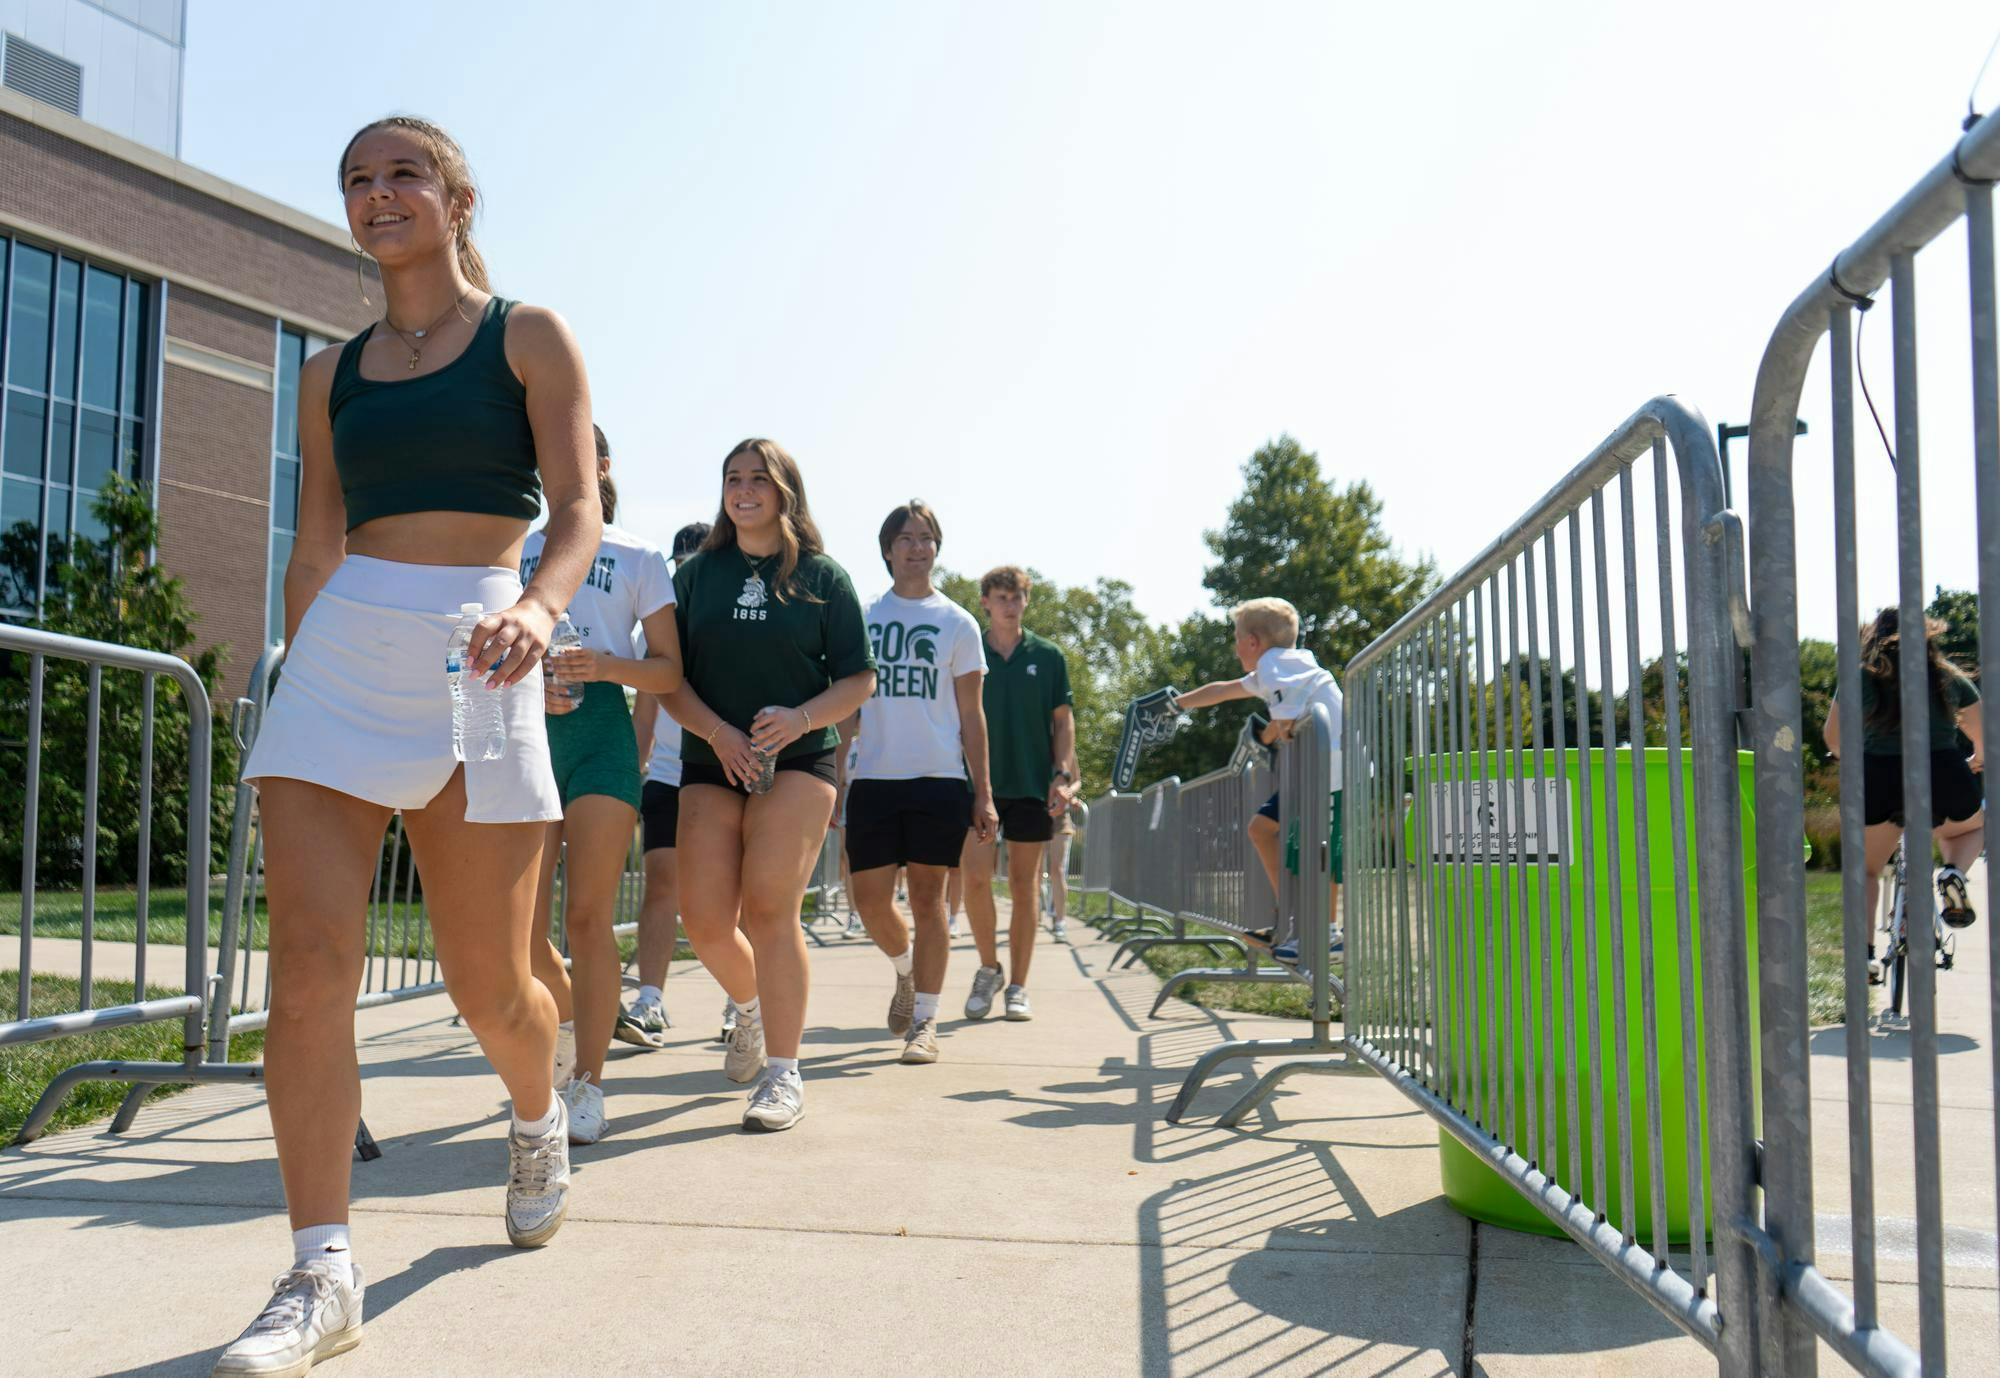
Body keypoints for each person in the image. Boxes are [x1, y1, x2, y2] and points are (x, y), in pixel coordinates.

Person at [220, 116, 599, 1377]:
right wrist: (292, 679)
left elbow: (576, 505)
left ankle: (536, 1117)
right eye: (356, 182)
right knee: (308, 972)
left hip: (479, 644)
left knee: (490, 986)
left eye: (402, 176)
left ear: (457, 197)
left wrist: (540, 613)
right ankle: (321, 1269)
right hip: (342, 655)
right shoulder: (327, 375)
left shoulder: (527, 337)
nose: (377, 197)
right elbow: (316, 540)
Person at [661, 439, 876, 1131]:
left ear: (786, 491)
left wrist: (801, 717)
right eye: (733, 479)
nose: (744, 490)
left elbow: (859, 679)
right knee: (703, 919)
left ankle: (783, 1072)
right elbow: (669, 677)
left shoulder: (823, 577)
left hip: (800, 759)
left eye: (758, 479)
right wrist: (720, 734)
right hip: (711, 760)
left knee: (769, 909)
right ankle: (749, 1011)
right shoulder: (697, 576)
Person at [522, 427, 681, 1145]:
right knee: (518, 935)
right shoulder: (513, 546)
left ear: (603, 465)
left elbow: (670, 672)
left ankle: (588, 1082)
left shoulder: (640, 557)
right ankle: (575, 1032)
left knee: (585, 918)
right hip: (526, 740)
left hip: (602, 744)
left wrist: (606, 665)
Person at [839, 501, 998, 1064]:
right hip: (875, 777)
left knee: (930, 898)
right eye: (905, 538)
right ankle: (905, 971)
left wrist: (984, 792)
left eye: (926, 537)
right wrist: (835, 776)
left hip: (939, 778)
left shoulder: (958, 622)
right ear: (887, 549)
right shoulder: (862, 616)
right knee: (870, 902)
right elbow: (848, 706)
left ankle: (926, 1023)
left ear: (937, 548)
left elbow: (973, 715)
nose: (916, 547)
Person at [1173, 597, 1345, 958]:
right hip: (1320, 770)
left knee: (1317, 848)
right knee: (1265, 829)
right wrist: (1178, 704)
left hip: (1331, 770)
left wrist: (1272, 733)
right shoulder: (1291, 664)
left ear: (1253, 642)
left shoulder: (1272, 666)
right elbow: (1224, 689)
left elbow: (1283, 725)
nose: (1235, 648)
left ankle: (1324, 933)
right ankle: (1298, 921)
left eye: (1236, 639)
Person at [960, 566, 1077, 1022]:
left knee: (1025, 886)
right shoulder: (968, 651)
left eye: (1017, 596)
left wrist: (1062, 772)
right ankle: (988, 968)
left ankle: (1019, 987)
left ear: (1027, 601)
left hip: (1031, 784)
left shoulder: (1047, 656)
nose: (1009, 604)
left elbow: (1064, 720)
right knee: (974, 880)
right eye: (1000, 596)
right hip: (976, 786)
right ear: (985, 601)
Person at [1824, 607, 1985, 932]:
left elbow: (1834, 738)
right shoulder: (1946, 675)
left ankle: (1865, 955)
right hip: (1941, 772)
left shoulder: (1859, 678)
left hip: (1878, 777)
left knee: (1866, 871)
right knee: (1970, 829)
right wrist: (1978, 759)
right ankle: (1953, 872)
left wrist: (1852, 759)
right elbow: (1986, 736)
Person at [620, 520, 711, 1050]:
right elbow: (646, 716)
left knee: (732, 897)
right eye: (681, 566)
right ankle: (649, 1000)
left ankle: (739, 1006)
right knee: (660, 889)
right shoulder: (654, 628)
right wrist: (631, 778)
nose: (687, 575)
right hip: (672, 777)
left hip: (726, 773)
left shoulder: (727, 620)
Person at [1045, 809, 1074, 941]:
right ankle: (1032, 916)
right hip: (1035, 812)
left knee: (1057, 869)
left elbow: (1074, 786)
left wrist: (1070, 792)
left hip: (1059, 817)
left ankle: (1060, 922)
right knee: (1035, 872)